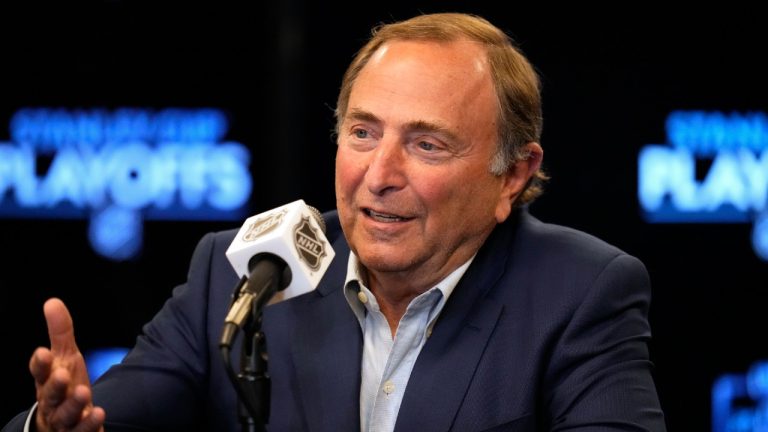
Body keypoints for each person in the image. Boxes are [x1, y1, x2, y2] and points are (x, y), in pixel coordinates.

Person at [4, 12, 666, 432]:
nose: (379, 174)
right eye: (362, 133)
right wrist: (54, 429)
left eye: (427, 144)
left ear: (513, 175)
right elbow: (102, 417)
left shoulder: (581, 294)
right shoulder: (243, 276)